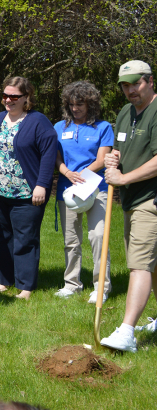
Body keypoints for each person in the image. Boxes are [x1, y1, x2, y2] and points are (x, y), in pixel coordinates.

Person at [0, 76, 57, 300]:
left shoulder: (39, 122)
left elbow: (49, 156)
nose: (8, 100)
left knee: (25, 238)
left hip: (26, 192)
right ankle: (5, 281)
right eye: (5, 96)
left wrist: (41, 185)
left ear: (26, 98)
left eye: (14, 96)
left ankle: (26, 286)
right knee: (2, 236)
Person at [100, 60, 157, 352]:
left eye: (136, 83)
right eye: (125, 85)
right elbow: (120, 147)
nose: (130, 90)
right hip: (132, 198)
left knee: (139, 265)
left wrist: (123, 178)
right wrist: (113, 159)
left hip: (151, 199)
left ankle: (127, 332)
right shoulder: (125, 112)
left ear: (149, 81)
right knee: (151, 262)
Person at [52, 81, 113, 302]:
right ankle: (72, 284)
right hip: (68, 189)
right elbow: (55, 157)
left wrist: (81, 174)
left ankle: (101, 287)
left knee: (98, 237)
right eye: (72, 104)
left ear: (91, 104)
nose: (75, 108)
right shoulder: (59, 127)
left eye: (80, 104)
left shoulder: (103, 127)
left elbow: (102, 159)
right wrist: (68, 173)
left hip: (97, 188)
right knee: (71, 240)